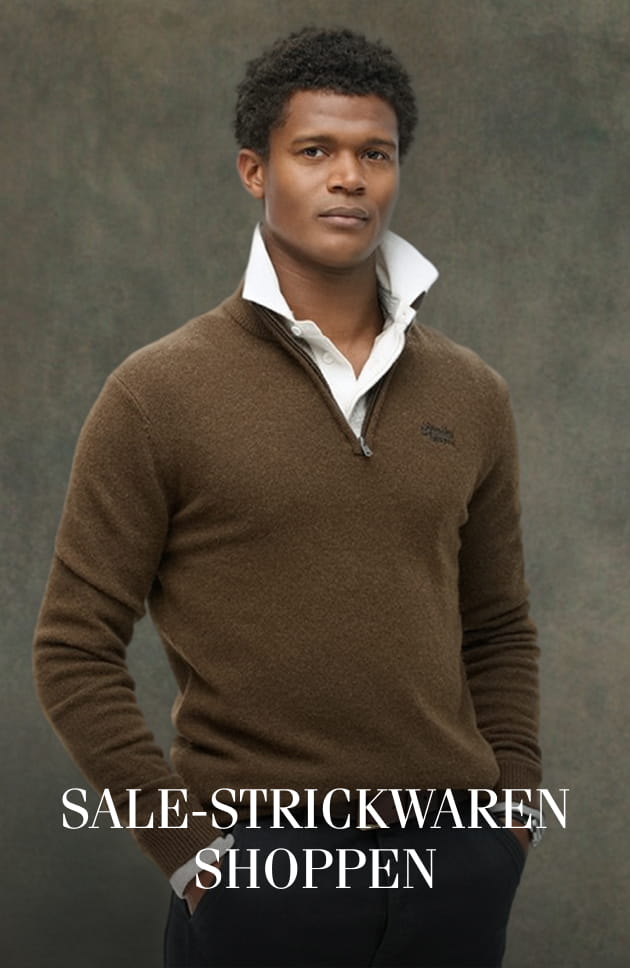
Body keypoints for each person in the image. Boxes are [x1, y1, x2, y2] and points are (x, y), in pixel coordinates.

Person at [33, 26, 542, 968]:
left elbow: (500, 627)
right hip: (261, 873)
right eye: (315, 150)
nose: (349, 177)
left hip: (454, 864)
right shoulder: (157, 392)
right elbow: (72, 649)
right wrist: (194, 858)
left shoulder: (472, 393)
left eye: (375, 154)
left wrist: (507, 818)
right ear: (255, 171)